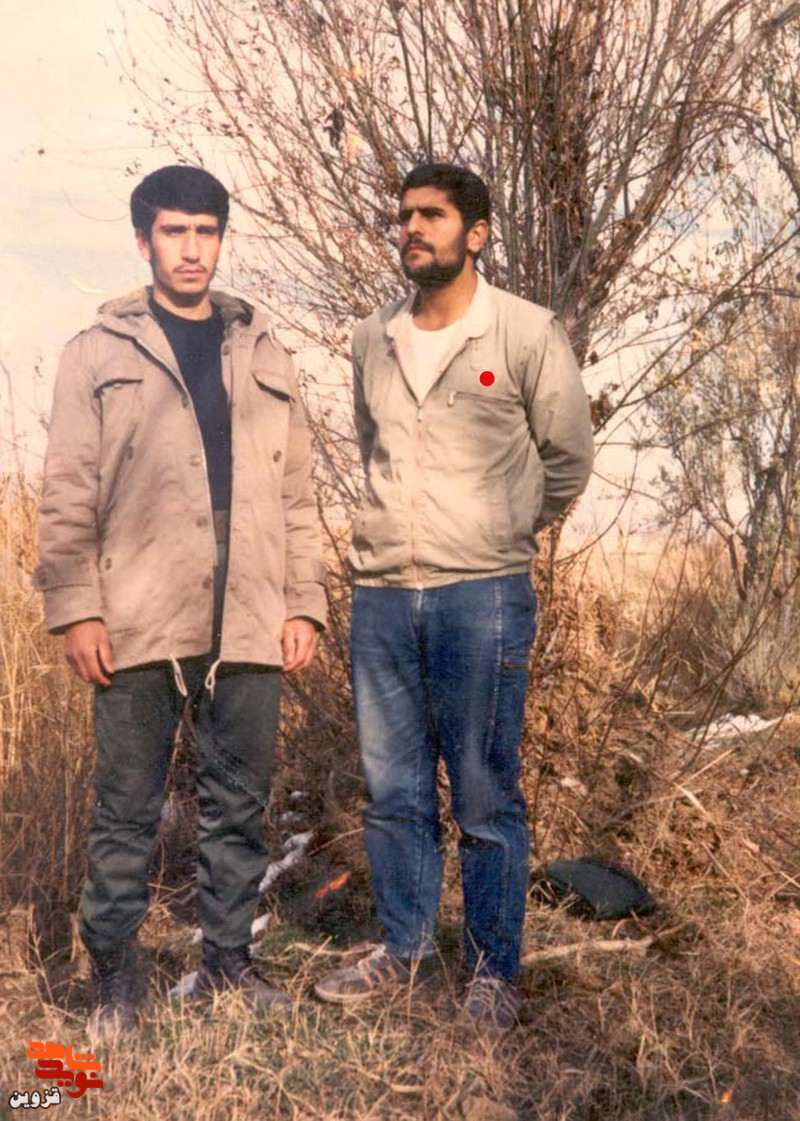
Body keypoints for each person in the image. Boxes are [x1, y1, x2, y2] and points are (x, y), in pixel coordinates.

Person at [35, 165, 326, 1038]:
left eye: (206, 232)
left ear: (221, 239)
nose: (192, 249)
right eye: (174, 231)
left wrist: (303, 601)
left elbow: (298, 495)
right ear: (144, 241)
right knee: (127, 804)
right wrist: (78, 607)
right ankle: (114, 978)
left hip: (250, 606)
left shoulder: (264, 350)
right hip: (139, 608)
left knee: (240, 798)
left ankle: (228, 960)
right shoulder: (97, 353)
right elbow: (67, 493)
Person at [314, 163, 594, 1029]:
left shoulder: (524, 331)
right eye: (404, 215)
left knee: (483, 794)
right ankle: (402, 949)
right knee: (393, 788)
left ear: (476, 233)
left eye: (432, 215)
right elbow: (376, 446)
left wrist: (502, 528)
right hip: (384, 595)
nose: (412, 228)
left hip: (484, 595)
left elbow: (568, 458)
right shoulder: (373, 337)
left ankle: (490, 971)